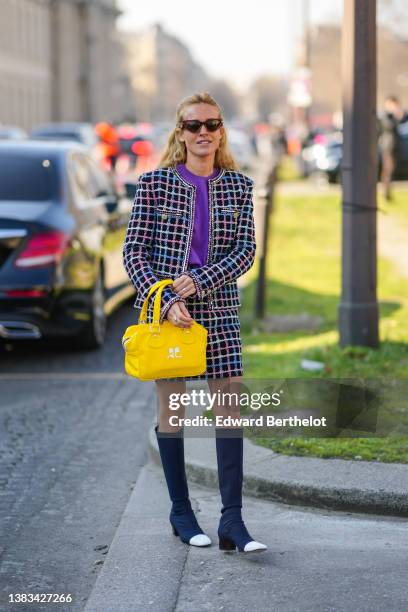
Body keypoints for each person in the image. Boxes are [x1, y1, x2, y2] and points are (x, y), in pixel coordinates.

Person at [122, 92, 267, 554]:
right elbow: (133, 253)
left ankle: (233, 522)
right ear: (179, 133)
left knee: (229, 409)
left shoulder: (240, 187)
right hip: (170, 318)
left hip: (219, 310)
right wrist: (165, 298)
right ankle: (181, 512)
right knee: (174, 411)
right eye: (193, 125)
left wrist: (198, 281)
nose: (202, 132)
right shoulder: (154, 184)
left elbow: (245, 251)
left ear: (221, 131)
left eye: (211, 124)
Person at [378, 95, 407, 201]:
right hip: (388, 146)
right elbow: (389, 126)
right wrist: (397, 117)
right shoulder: (385, 115)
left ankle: (388, 192)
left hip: (396, 145)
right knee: (388, 169)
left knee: (391, 169)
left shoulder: (396, 115)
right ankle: (386, 193)